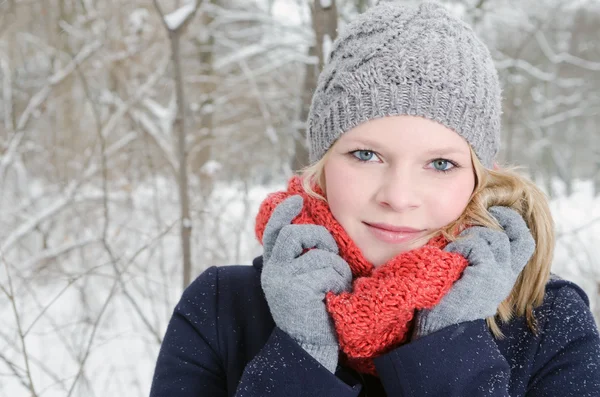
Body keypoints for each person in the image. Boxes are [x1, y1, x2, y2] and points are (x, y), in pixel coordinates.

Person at [149, 2, 600, 396]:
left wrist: (450, 347)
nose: (398, 197)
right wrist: (303, 351)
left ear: (479, 179)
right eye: (366, 155)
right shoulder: (220, 308)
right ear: (322, 165)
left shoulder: (549, 322)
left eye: (441, 163)